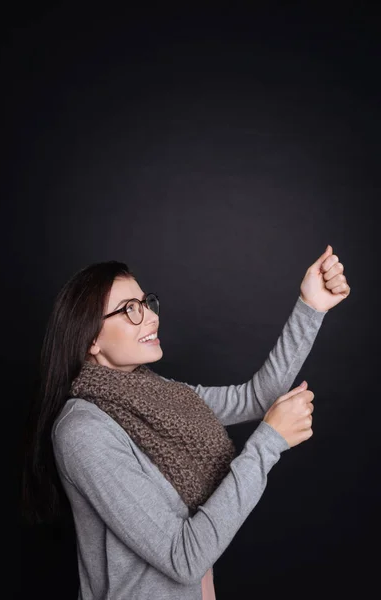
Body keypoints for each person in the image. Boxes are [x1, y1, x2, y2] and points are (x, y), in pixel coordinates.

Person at [21, 244, 350, 600]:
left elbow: (256, 398)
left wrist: (311, 306)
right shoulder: (83, 432)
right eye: (130, 309)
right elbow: (183, 558)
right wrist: (269, 442)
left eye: (146, 302)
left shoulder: (157, 393)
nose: (150, 316)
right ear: (91, 339)